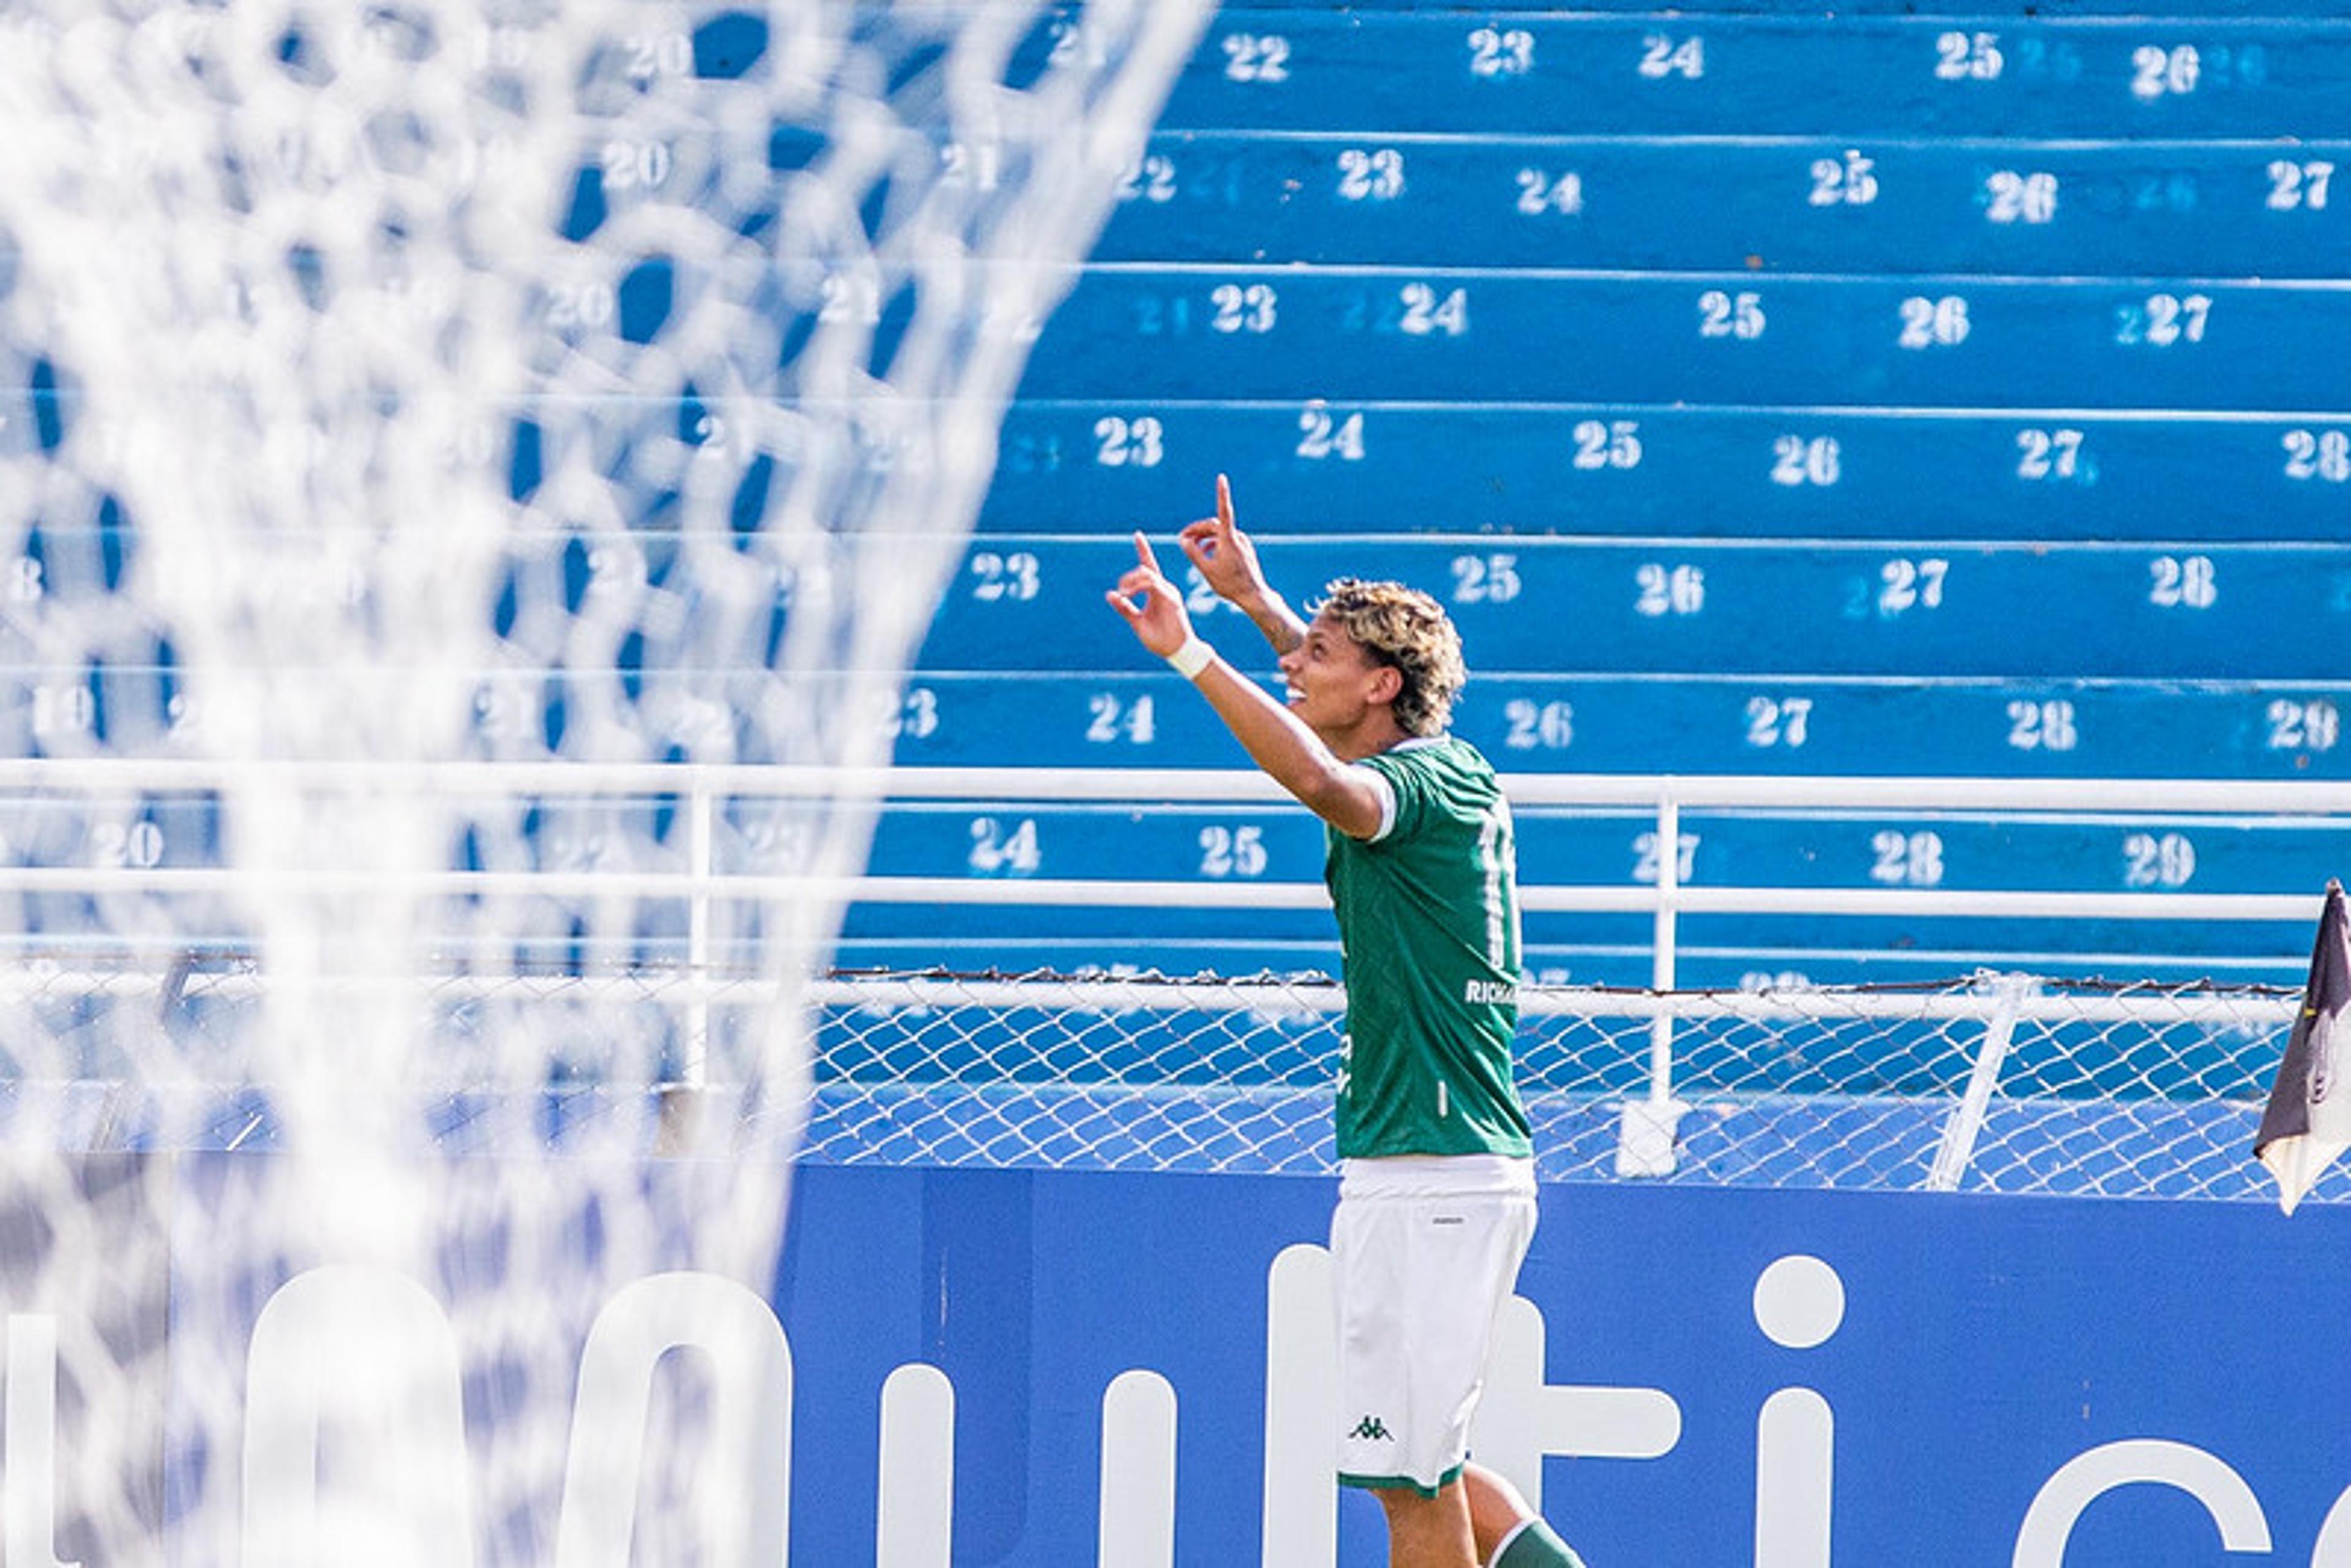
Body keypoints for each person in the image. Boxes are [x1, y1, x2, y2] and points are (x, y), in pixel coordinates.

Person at [1105, 476, 1584, 1568]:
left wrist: (1191, 653)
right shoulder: (1442, 763)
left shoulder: (1407, 786)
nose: (1293, 663)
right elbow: (1342, 710)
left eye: (1314, 653)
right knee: (1439, 1469)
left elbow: (1328, 781)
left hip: (1432, 1177)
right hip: (1436, 1168)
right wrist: (1255, 598)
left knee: (1408, 1489)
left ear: (1379, 683)